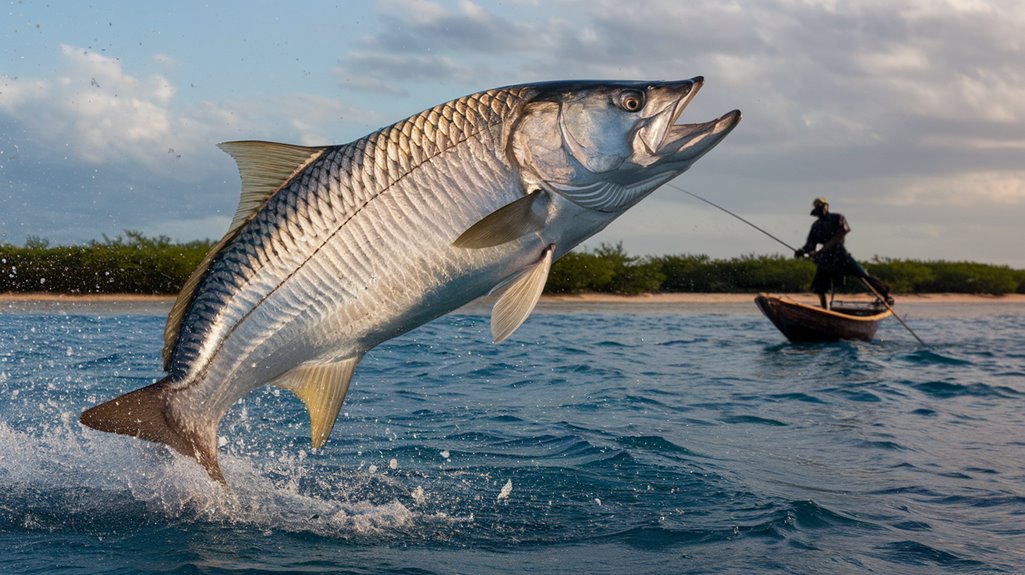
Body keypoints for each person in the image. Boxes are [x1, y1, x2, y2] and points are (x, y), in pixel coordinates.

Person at [794, 197, 893, 309]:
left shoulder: (837, 218)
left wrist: (822, 249)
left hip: (841, 255)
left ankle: (885, 295)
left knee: (862, 274)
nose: (821, 208)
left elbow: (842, 232)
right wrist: (802, 251)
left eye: (823, 206)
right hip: (826, 260)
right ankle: (825, 311)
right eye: (819, 207)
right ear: (815, 210)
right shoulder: (816, 226)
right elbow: (809, 245)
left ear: (827, 207)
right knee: (819, 287)